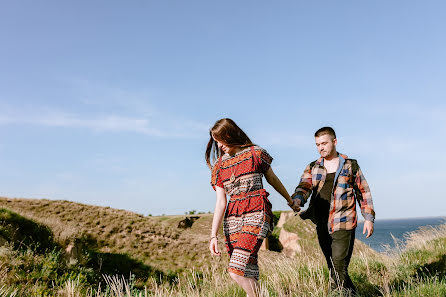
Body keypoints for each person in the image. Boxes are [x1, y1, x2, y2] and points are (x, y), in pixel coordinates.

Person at [206, 118, 300, 297]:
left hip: (257, 212)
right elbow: (220, 202)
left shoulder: (256, 154)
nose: (218, 146)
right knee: (248, 271)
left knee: (235, 270)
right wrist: (213, 236)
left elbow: (272, 179)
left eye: (220, 140)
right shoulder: (219, 167)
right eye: (215, 142)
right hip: (232, 220)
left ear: (229, 134)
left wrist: (290, 201)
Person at [291, 127, 375, 295]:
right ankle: (351, 294)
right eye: (317, 145)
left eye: (324, 143)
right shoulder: (313, 167)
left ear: (334, 142)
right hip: (321, 221)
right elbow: (304, 186)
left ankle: (335, 293)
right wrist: (298, 199)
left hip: (343, 221)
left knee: (338, 263)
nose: (320, 147)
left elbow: (363, 191)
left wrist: (368, 218)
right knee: (333, 266)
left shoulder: (350, 165)